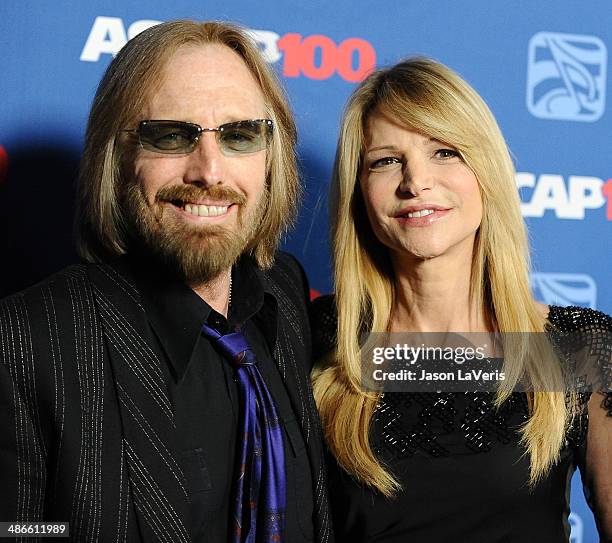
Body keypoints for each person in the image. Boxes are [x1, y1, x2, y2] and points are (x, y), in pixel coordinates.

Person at [0, 20, 333, 543]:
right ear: (119, 156)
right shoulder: (25, 339)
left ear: (273, 160)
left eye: (240, 135)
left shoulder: (285, 296)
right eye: (171, 135)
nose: (209, 170)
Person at [311, 58, 611, 542]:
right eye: (386, 161)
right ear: (359, 192)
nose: (416, 182)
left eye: (445, 152)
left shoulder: (579, 345)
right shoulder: (314, 338)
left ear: (485, 170)